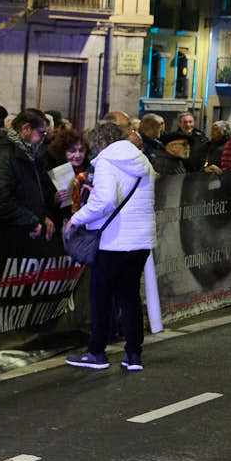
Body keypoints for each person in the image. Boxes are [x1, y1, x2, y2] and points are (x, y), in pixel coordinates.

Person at [64, 121, 156, 372]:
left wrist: (76, 218)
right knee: (129, 298)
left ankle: (96, 352)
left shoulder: (106, 161)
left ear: (99, 143)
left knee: (101, 298)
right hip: (140, 240)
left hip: (113, 242)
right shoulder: (143, 161)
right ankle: (134, 355)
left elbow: (104, 201)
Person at [0, 108, 54, 246]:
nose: (43, 139)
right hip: (11, 232)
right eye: (41, 133)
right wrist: (30, 220)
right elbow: (1, 198)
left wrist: (42, 216)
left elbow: (32, 193)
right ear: (26, 128)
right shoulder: (3, 153)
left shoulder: (27, 153)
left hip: (27, 227)